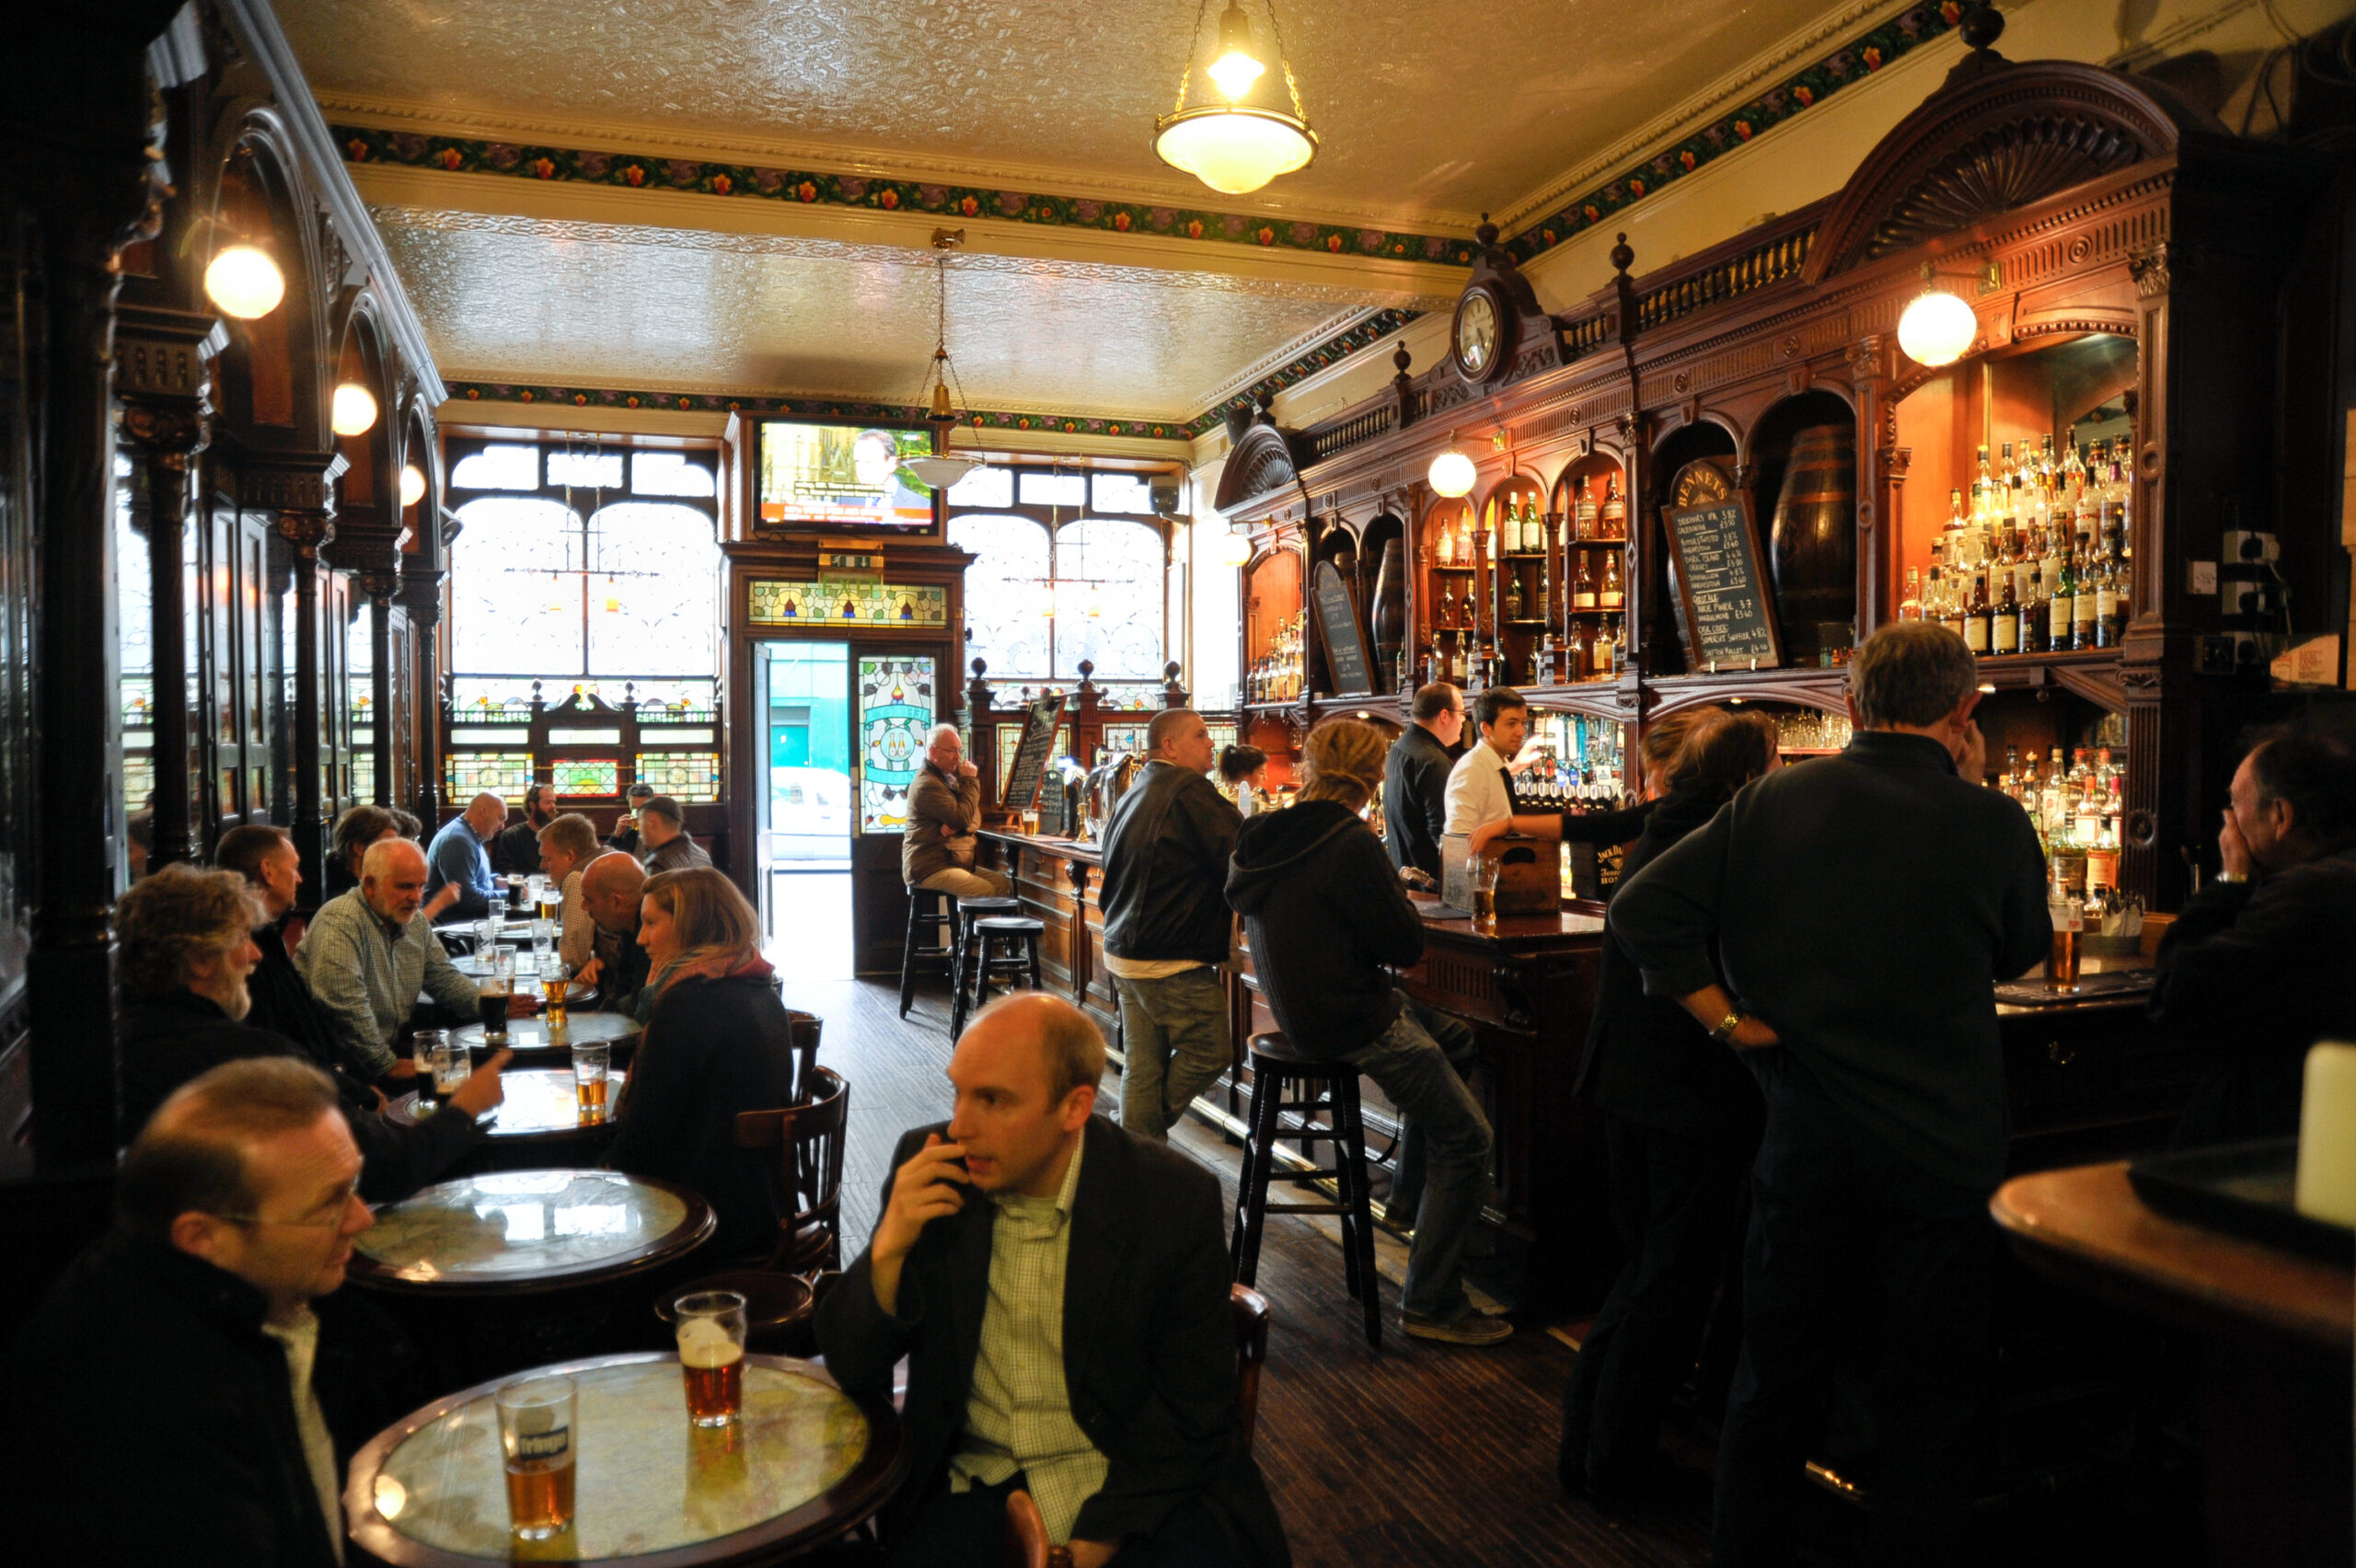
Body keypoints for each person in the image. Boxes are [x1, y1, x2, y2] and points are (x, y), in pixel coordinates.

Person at [1608, 621, 2048, 1568]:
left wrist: (1728, 1022)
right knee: (1931, 1394)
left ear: (1850, 706)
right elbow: (2019, 952)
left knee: (1776, 1379)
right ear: (1965, 711)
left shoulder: (1773, 800)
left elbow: (1641, 910)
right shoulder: (1992, 820)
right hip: (1943, 1150)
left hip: (1807, 1138)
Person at [815, 993, 1289, 1567]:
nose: (960, 1125)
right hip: (974, 1486)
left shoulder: (1168, 1198)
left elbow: (1194, 1411)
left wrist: (1097, 1541)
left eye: (993, 1100)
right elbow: (853, 1366)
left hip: (1130, 1486)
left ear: (1075, 1108)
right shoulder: (933, 1166)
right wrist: (889, 1245)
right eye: (958, 1091)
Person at [1, 1058, 419, 1567]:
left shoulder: (281, 1298)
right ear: (203, 1237)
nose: (360, 1219)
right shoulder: (146, 1411)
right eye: (330, 1204)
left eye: (353, 1186)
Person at [1226, 718, 1508, 1346]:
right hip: (1351, 1019)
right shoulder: (1348, 840)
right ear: (1372, 775)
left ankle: (1407, 1205)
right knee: (1468, 1140)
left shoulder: (1264, 831)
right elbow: (1404, 946)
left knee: (1456, 1040)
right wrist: (1394, 896)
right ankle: (1432, 1302)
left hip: (1301, 1010)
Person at [1559, 710, 1776, 1509]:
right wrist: (1733, 1022)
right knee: (1671, 1287)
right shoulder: (1720, 842)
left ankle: (1586, 1452)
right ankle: (1617, 1467)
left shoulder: (1669, 824)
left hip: (1627, 1085)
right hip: (1686, 1095)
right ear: (1751, 775)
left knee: (1643, 1277)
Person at [113, 859, 506, 1202]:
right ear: (199, 960)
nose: (254, 955)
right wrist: (465, 1109)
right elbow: (388, 1166)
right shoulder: (248, 1059)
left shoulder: (115, 1044)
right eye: (241, 939)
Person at [2151, 725, 2356, 1143]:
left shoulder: (2306, 897)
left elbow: (2176, 995)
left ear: (2281, 816)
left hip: (2279, 1154)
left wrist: (2232, 878)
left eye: (2234, 804)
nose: (2229, 821)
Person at [606, 868, 799, 1261]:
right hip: (765, 1199)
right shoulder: (757, 984)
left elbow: (645, 1142)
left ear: (691, 926)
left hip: (706, 1219)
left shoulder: (687, 1004)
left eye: (651, 923)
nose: (640, 938)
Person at [1098, 708, 1243, 1142]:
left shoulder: (1137, 787)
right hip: (1167, 956)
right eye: (1201, 735)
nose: (1211, 744)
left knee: (1143, 1065)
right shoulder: (1190, 791)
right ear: (1170, 746)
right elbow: (1244, 853)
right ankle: (1136, 1135)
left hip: (1123, 949)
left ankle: (1135, 1159)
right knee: (1211, 1049)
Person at [296, 837, 486, 1082]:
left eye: (421, 887)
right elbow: (344, 1005)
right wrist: (387, 1065)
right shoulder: (342, 919)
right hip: (335, 1069)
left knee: (480, 1069)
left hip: (384, 1052)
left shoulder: (414, 922)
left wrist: (491, 1007)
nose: (416, 898)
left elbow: (444, 978)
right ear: (370, 885)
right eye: (405, 887)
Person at [1445, 686, 1651, 859]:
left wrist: (1516, 767)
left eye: (1522, 723)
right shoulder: (1470, 770)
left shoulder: (1495, 767)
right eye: (1511, 723)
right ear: (1486, 728)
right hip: (1483, 883)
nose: (1520, 732)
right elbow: (1458, 842)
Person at [906, 722, 1012, 899]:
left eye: (959, 751)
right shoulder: (928, 784)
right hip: (931, 867)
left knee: (1002, 885)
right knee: (985, 890)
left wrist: (960, 825)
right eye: (952, 751)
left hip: (952, 862)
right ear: (933, 752)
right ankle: (971, 928)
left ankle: (987, 927)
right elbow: (963, 817)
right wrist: (970, 781)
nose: (958, 757)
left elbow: (974, 816)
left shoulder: (948, 779)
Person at [1384, 683, 1463, 877]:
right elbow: (1444, 836)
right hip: (1429, 888)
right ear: (1445, 716)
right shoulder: (1433, 762)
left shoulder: (1399, 747)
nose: (1463, 720)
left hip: (1404, 878)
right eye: (1461, 713)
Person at [577, 849, 653, 1012]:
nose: (584, 907)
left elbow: (638, 1003)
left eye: (589, 900)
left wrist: (599, 1018)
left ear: (616, 902)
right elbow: (621, 988)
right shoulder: (628, 926)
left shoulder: (650, 935)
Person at [536, 811, 603, 973]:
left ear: (569, 856)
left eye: (548, 858)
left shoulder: (578, 878)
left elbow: (573, 958)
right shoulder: (606, 856)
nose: (542, 865)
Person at [423, 792, 506, 920]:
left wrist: (495, 881)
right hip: (453, 929)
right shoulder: (458, 842)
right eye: (501, 818)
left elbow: (469, 876)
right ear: (483, 811)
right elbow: (467, 900)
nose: (502, 826)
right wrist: (513, 895)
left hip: (470, 920)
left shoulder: (468, 834)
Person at [637, 794, 713, 874]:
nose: (640, 831)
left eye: (640, 823)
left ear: (651, 820)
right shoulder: (702, 855)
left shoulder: (658, 864)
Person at [490, 782, 549, 876]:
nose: (553, 806)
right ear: (532, 805)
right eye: (548, 803)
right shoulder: (512, 836)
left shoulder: (558, 835)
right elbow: (506, 870)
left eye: (554, 802)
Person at [606, 781, 657, 856]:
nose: (637, 812)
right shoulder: (628, 831)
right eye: (634, 808)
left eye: (642, 808)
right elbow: (609, 857)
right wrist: (616, 835)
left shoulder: (661, 827)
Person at [1219, 743, 1269, 818]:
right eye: (1261, 773)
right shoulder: (1221, 801)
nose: (1266, 777)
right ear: (1245, 773)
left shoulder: (1262, 796)